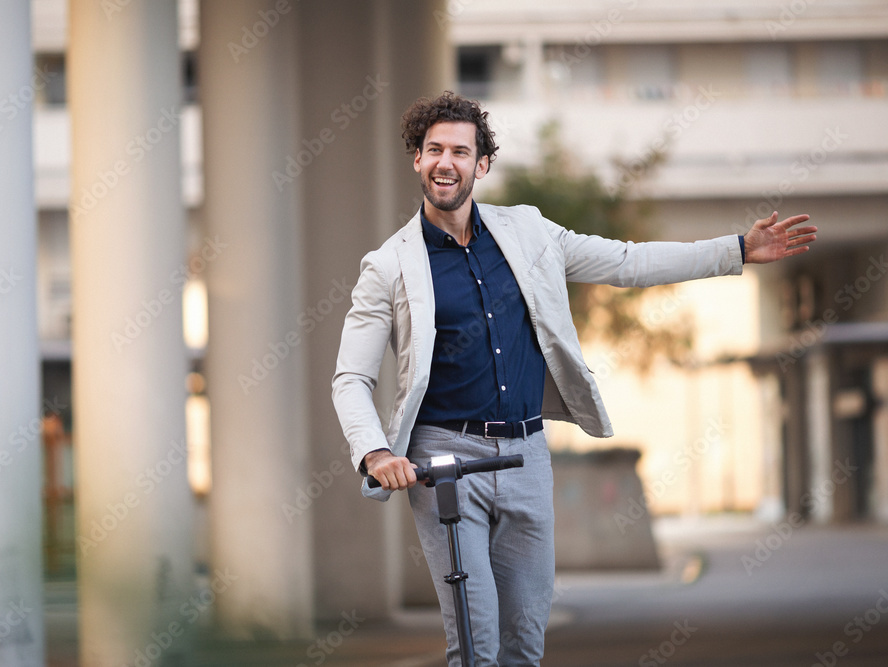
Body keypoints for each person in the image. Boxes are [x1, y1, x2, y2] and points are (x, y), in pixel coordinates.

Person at [330, 91, 816, 666]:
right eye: (434, 149)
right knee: (475, 638)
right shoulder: (388, 265)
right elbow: (351, 378)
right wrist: (377, 452)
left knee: (526, 642)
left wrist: (734, 249)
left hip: (526, 455)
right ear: (417, 158)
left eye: (461, 152)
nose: (446, 162)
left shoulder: (530, 234)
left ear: (481, 165)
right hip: (443, 463)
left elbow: (628, 263)